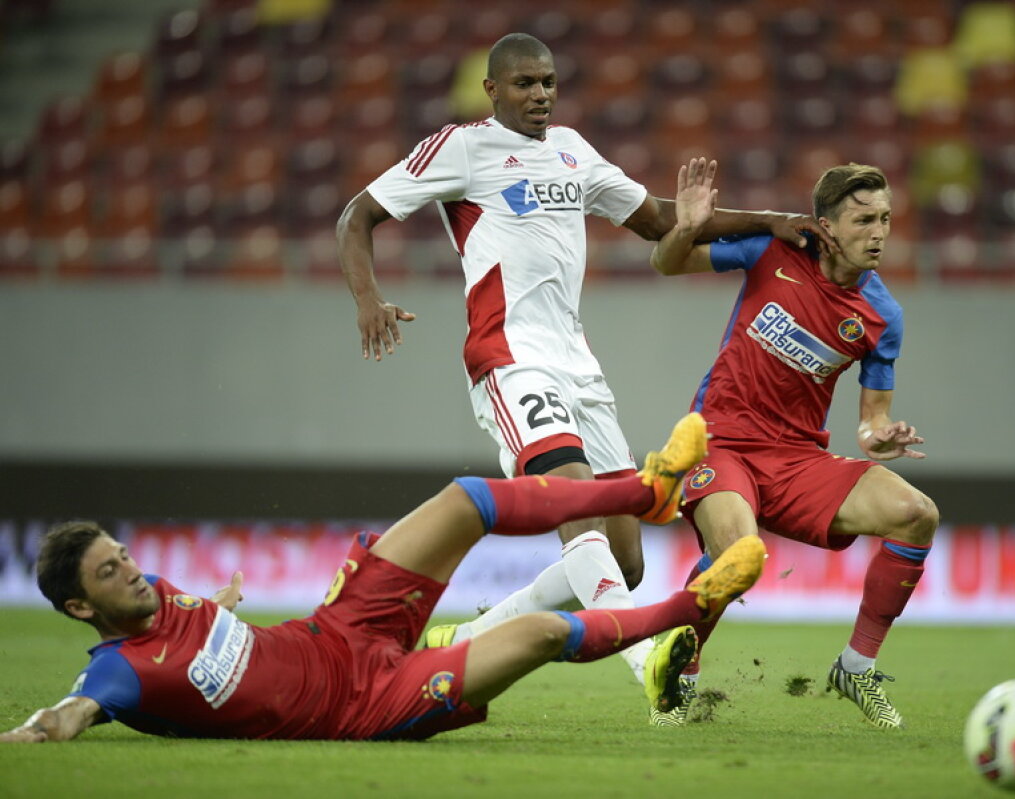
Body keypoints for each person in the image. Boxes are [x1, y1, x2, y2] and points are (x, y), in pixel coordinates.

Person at [335, 30, 835, 720]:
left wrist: (769, 221)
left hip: (579, 366)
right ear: (492, 90)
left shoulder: (574, 151)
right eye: (524, 84)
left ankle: (468, 640)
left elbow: (660, 220)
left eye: (547, 83)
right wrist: (368, 299)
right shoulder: (461, 147)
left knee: (622, 561)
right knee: (577, 511)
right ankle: (648, 664)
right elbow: (357, 214)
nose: (539, 94)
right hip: (510, 357)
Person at [0, 414, 766, 743]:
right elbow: (70, 712)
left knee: (464, 499)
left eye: (124, 554)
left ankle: (646, 490)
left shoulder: (158, 596)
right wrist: (31, 731)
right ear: (77, 605)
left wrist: (223, 604)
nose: (132, 571)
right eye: (110, 571)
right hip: (360, 704)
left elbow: (201, 627)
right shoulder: (118, 676)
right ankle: (688, 604)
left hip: (337, 629)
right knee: (539, 633)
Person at [648, 158, 939, 729]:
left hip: (798, 458)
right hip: (721, 440)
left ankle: (856, 667)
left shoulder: (883, 315)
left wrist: (882, 436)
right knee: (738, 554)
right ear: (825, 224)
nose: (877, 233)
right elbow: (667, 263)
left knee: (916, 514)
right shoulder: (771, 252)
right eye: (862, 220)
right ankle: (679, 679)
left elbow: (870, 421)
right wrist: (685, 226)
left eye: (884, 219)